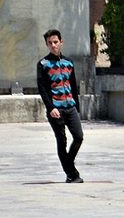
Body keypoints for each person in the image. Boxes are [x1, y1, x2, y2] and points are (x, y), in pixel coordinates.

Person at [36, 29, 84, 183]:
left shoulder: (69, 63)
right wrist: (51, 108)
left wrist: (77, 107)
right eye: (50, 43)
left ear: (61, 42)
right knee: (61, 140)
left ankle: (68, 164)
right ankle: (71, 174)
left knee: (79, 137)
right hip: (56, 109)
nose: (53, 45)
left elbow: (74, 86)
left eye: (55, 42)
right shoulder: (43, 64)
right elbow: (42, 89)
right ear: (47, 45)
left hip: (70, 107)